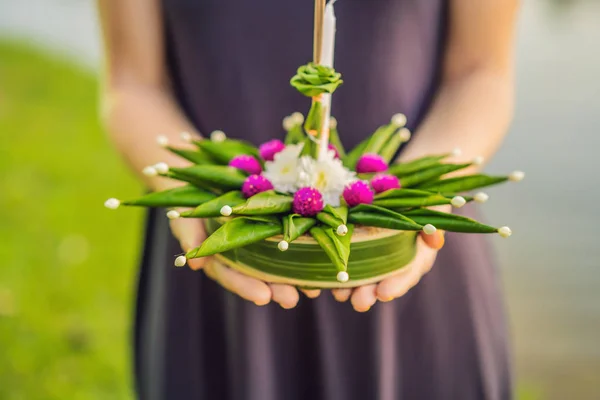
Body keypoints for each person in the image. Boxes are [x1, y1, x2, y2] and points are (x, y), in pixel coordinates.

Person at [98, 0, 518, 398]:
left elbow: (480, 72)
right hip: (219, 257)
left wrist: (421, 198)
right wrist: (188, 193)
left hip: (410, 261)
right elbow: (133, 82)